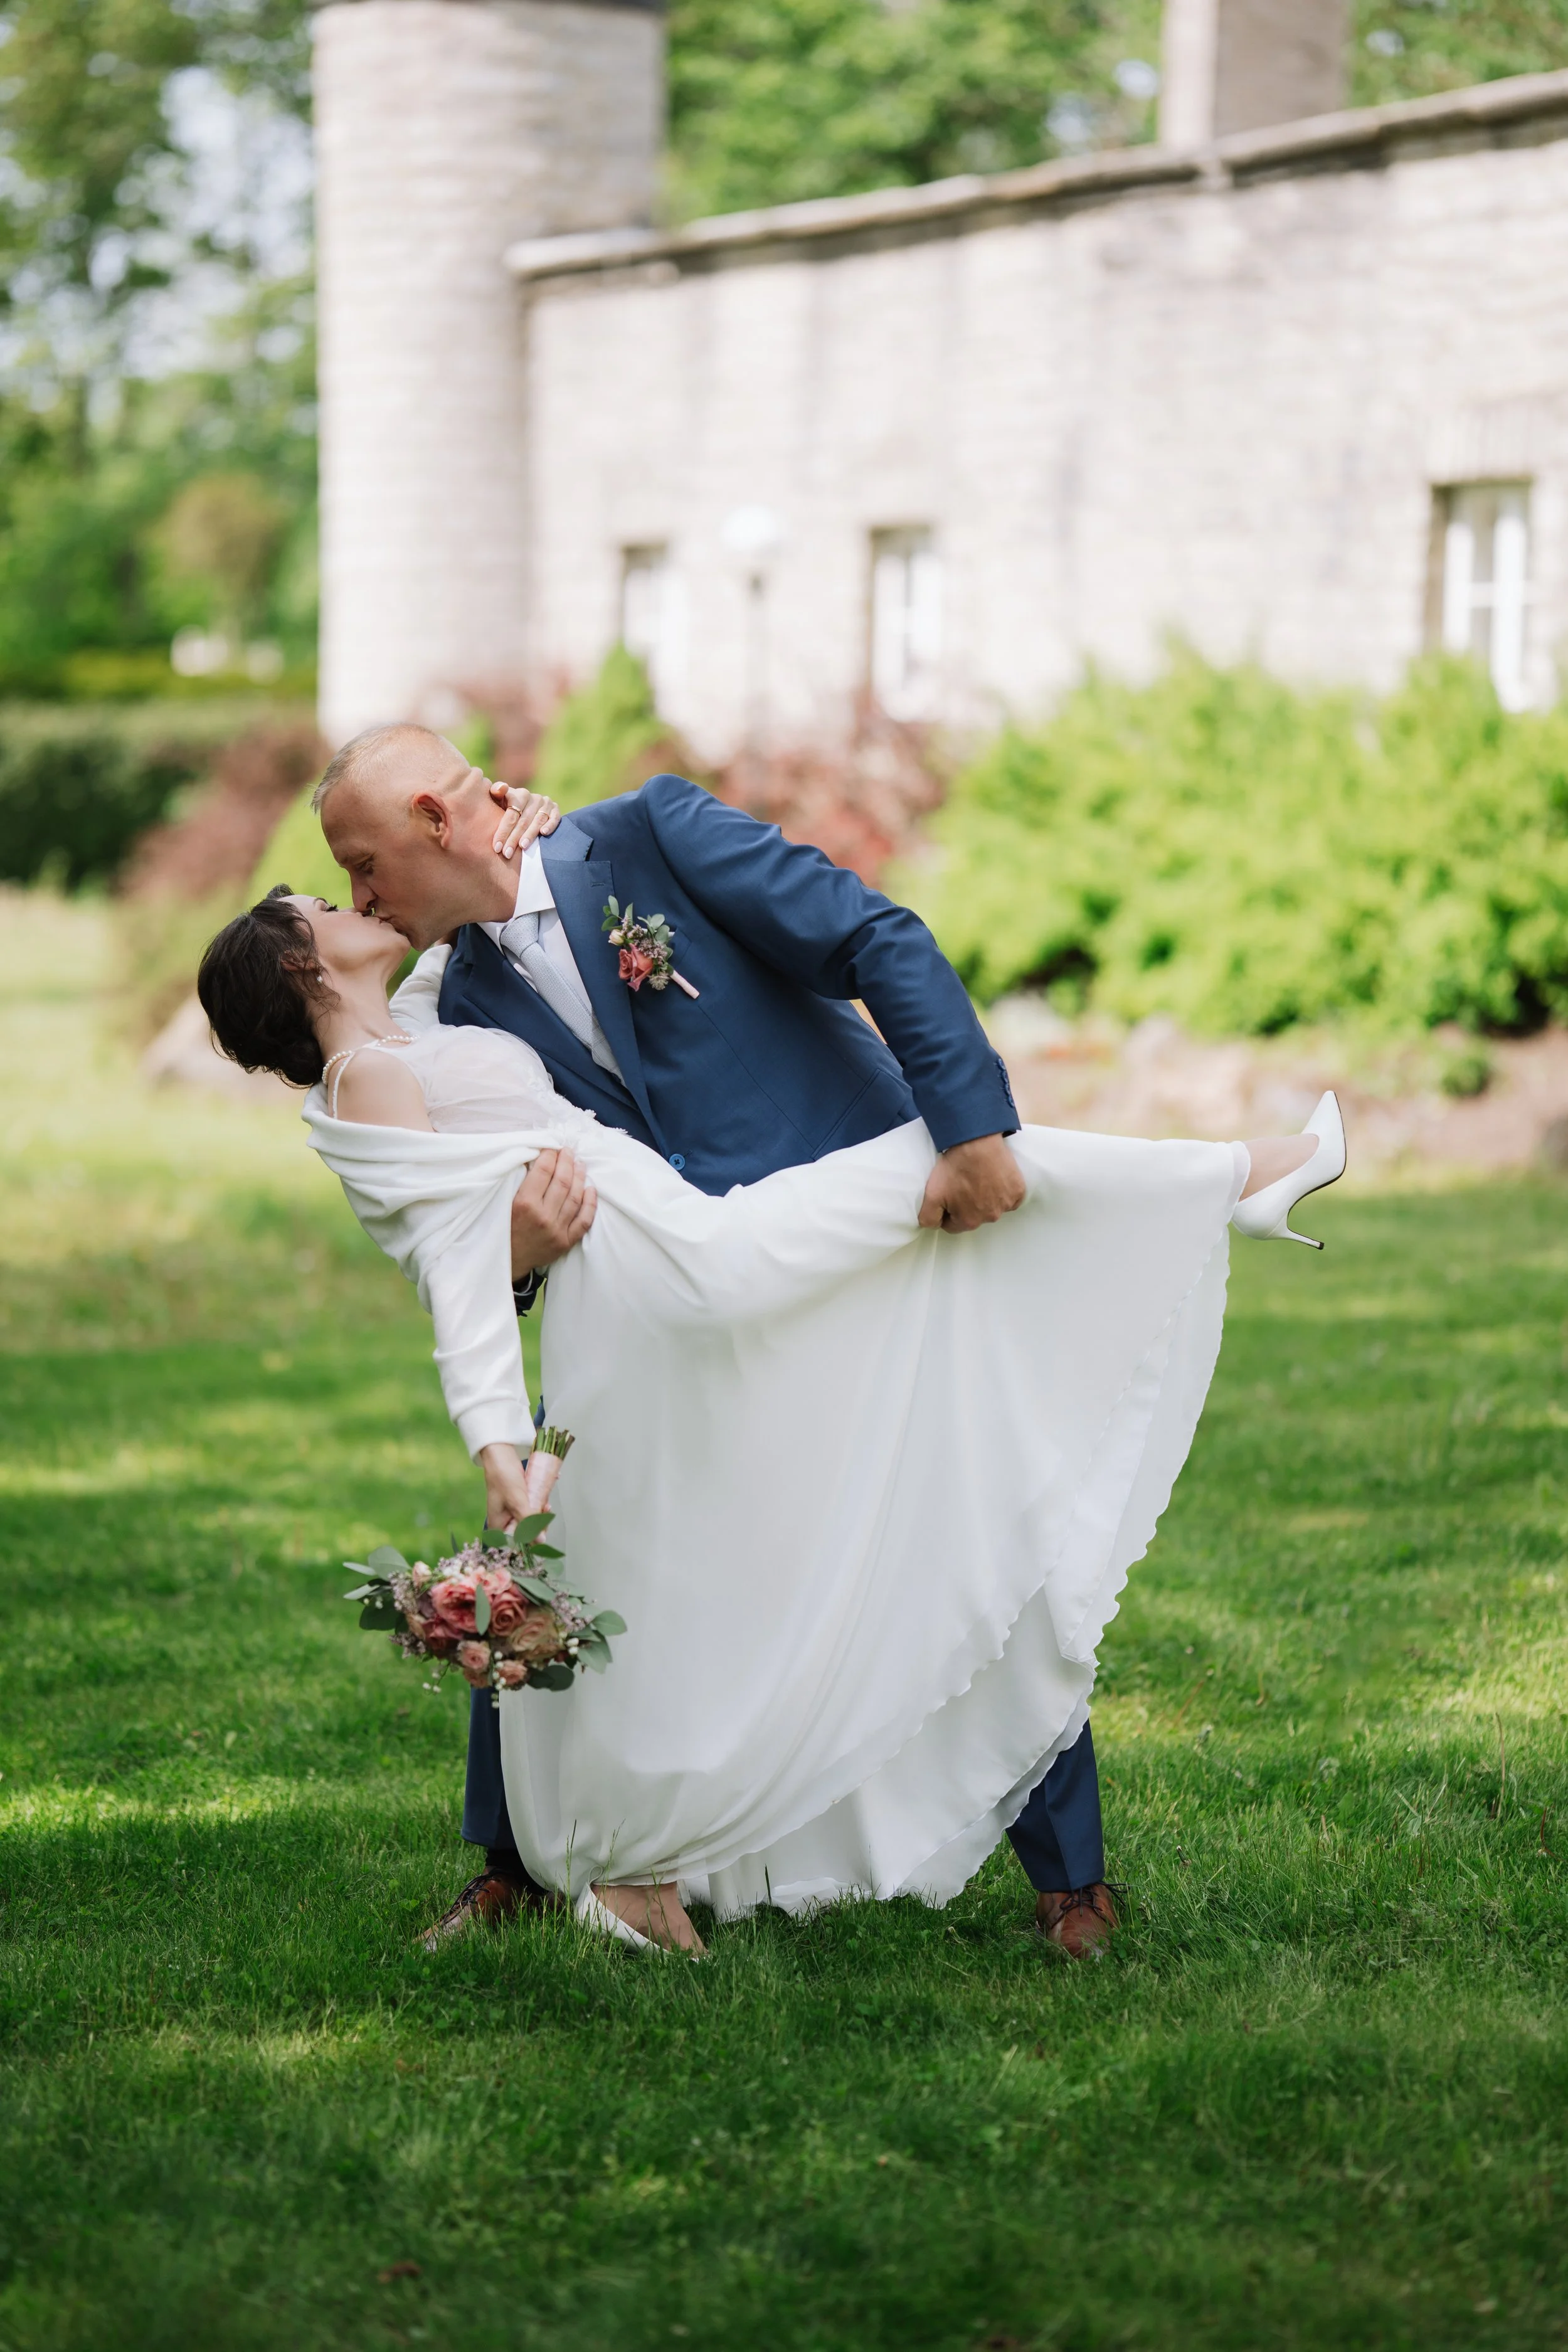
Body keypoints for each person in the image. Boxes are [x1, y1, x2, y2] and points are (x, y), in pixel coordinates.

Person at [198, 728, 1343, 1957]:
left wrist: (967, 1128)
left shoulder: (647, 838)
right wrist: (519, 1256)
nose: (362, 896)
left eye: (363, 864)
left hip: (856, 1228)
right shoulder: (452, 1002)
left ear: (436, 815)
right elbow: (455, 1211)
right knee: (573, 1543)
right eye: (341, 888)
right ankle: (519, 1868)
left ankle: (1069, 1884)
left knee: (963, 1532)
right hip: (675, 1300)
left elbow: (872, 937)